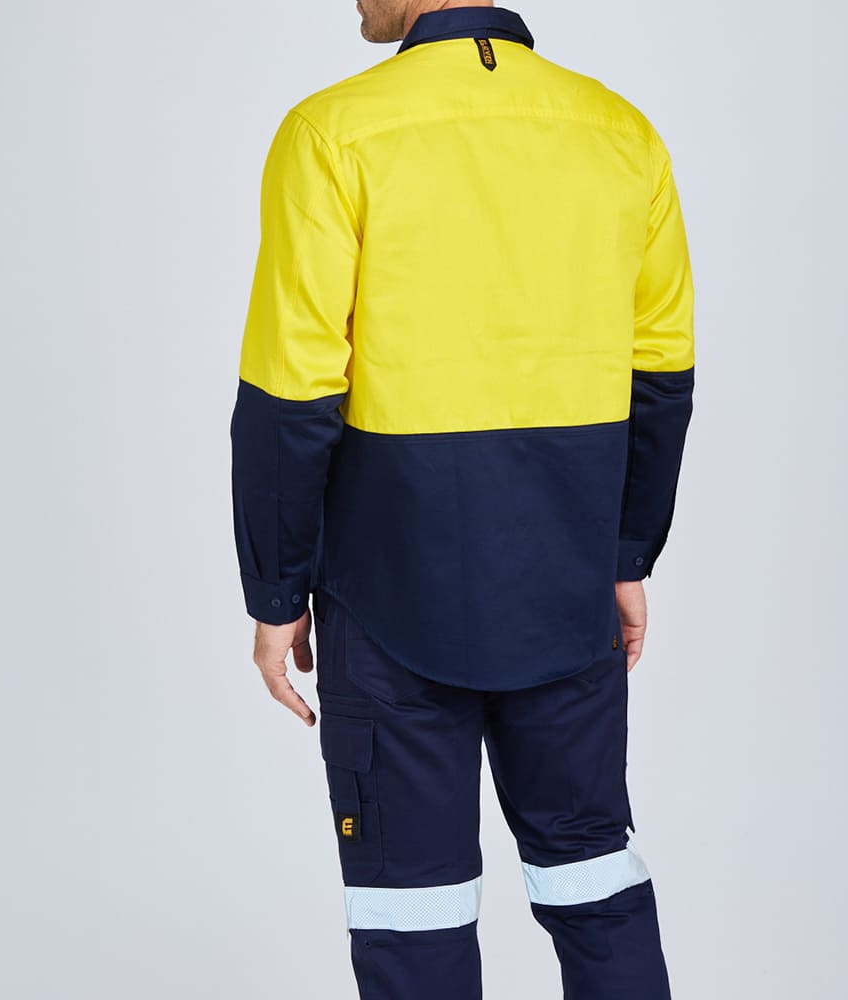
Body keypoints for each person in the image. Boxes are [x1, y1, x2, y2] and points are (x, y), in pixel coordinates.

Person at [229, 3, 695, 997]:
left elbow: (291, 391)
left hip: (388, 595)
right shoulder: (618, 132)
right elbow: (660, 371)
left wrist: (276, 592)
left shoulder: (332, 133)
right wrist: (625, 554)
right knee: (594, 881)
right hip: (567, 584)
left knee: (413, 913)